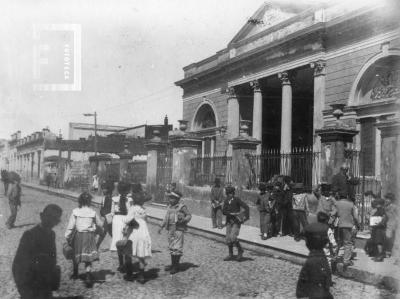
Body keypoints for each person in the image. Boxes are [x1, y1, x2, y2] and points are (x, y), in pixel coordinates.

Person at [13, 204, 63, 299]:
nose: (51, 221)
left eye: (55, 219)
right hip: (30, 284)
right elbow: (18, 265)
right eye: (49, 216)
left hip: (45, 284)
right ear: (42, 216)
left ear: (57, 222)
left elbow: (53, 257)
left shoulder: (52, 235)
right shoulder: (30, 235)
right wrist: (24, 290)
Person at [65, 192, 103, 287]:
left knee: (76, 254)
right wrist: (94, 227)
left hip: (78, 236)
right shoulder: (92, 212)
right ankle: (88, 274)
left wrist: (67, 236)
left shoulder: (75, 212)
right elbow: (100, 224)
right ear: (90, 201)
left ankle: (75, 272)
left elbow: (71, 226)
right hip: (89, 236)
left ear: (80, 201)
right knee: (88, 256)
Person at [121, 183, 152, 283]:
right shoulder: (143, 210)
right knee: (141, 255)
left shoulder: (132, 209)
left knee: (129, 253)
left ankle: (129, 274)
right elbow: (145, 220)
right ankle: (142, 275)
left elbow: (127, 220)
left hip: (134, 233)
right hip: (143, 233)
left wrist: (125, 228)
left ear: (133, 200)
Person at [296, 220, 333, 299]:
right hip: (323, 292)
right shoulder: (322, 256)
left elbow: (303, 278)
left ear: (309, 243)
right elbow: (328, 272)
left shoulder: (311, 260)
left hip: (315, 294)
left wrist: (300, 292)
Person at [158, 190, 192, 274]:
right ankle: (173, 264)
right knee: (172, 247)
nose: (170, 200)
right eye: (169, 198)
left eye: (172, 198)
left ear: (177, 199)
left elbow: (189, 215)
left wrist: (184, 220)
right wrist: (161, 226)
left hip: (178, 229)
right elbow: (166, 218)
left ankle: (176, 266)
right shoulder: (169, 207)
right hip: (170, 230)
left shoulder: (182, 207)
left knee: (177, 248)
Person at [222, 186, 249, 261]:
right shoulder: (226, 200)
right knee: (228, 239)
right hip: (228, 222)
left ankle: (240, 250)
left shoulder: (237, 200)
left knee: (233, 237)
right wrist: (231, 214)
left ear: (233, 193)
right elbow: (223, 211)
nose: (229, 195)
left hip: (236, 222)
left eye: (230, 194)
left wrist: (243, 217)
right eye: (228, 194)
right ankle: (231, 254)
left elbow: (246, 207)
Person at [110, 181, 133, 273]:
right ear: (127, 190)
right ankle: (127, 263)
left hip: (116, 220)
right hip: (126, 219)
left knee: (118, 241)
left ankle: (121, 264)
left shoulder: (114, 199)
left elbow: (112, 212)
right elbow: (131, 212)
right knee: (126, 240)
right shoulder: (130, 200)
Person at [335, 191, 360, 268]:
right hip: (348, 226)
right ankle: (346, 261)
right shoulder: (351, 204)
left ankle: (334, 256)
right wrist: (358, 225)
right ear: (346, 197)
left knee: (338, 242)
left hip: (338, 225)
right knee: (348, 243)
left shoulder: (337, 203)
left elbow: (333, 214)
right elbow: (355, 217)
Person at [96, 180, 114, 249]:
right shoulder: (104, 198)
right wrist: (101, 214)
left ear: (108, 190)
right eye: (103, 189)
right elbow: (102, 207)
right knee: (110, 232)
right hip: (105, 217)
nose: (103, 190)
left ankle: (97, 245)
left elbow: (109, 209)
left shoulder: (111, 198)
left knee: (104, 232)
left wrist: (105, 215)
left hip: (109, 217)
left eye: (105, 189)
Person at [369, 198, 387, 262]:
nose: (376, 205)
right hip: (377, 228)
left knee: (379, 242)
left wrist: (378, 224)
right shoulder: (379, 210)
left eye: (377, 204)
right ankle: (379, 255)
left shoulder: (381, 210)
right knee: (378, 242)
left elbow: (383, 219)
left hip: (379, 228)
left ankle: (380, 256)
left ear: (380, 204)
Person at [384, 193, 398, 257]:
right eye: (386, 198)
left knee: (389, 237)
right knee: (387, 238)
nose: (386, 200)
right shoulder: (385, 206)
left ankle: (388, 252)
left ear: (391, 200)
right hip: (386, 224)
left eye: (388, 199)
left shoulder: (395, 207)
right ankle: (387, 251)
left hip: (392, 224)